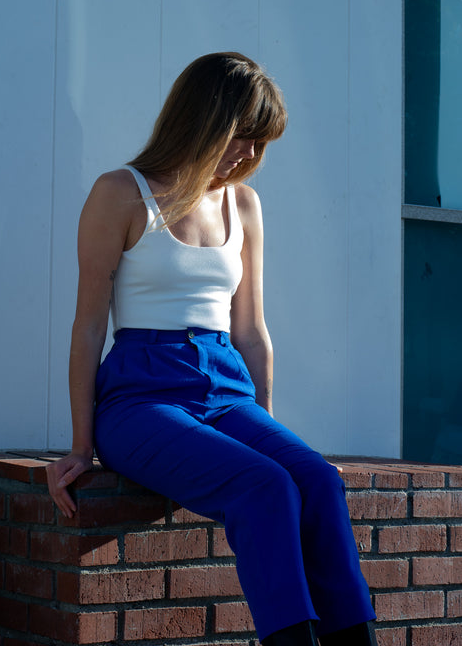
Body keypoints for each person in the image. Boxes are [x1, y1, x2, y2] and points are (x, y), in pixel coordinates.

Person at [47, 52, 377, 646]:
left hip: (227, 391)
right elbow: (88, 324)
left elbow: (250, 328)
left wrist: (267, 431)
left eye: (261, 143)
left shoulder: (243, 203)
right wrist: (80, 443)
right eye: (242, 136)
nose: (249, 155)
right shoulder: (122, 192)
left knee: (317, 480)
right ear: (202, 120)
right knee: (264, 486)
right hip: (141, 399)